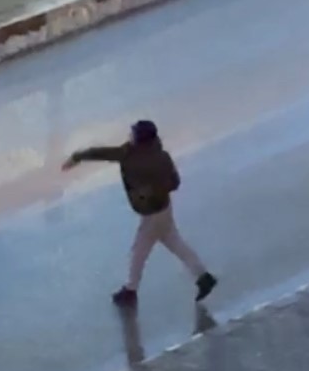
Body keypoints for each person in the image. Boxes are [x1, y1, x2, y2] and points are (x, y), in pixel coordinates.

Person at [62, 119, 217, 307]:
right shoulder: (160, 156)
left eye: (133, 133)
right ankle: (203, 276)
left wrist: (77, 157)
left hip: (152, 214)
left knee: (139, 252)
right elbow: (175, 182)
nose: (130, 135)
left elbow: (101, 153)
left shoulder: (130, 154)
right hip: (164, 210)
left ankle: (130, 291)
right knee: (175, 243)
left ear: (141, 139)